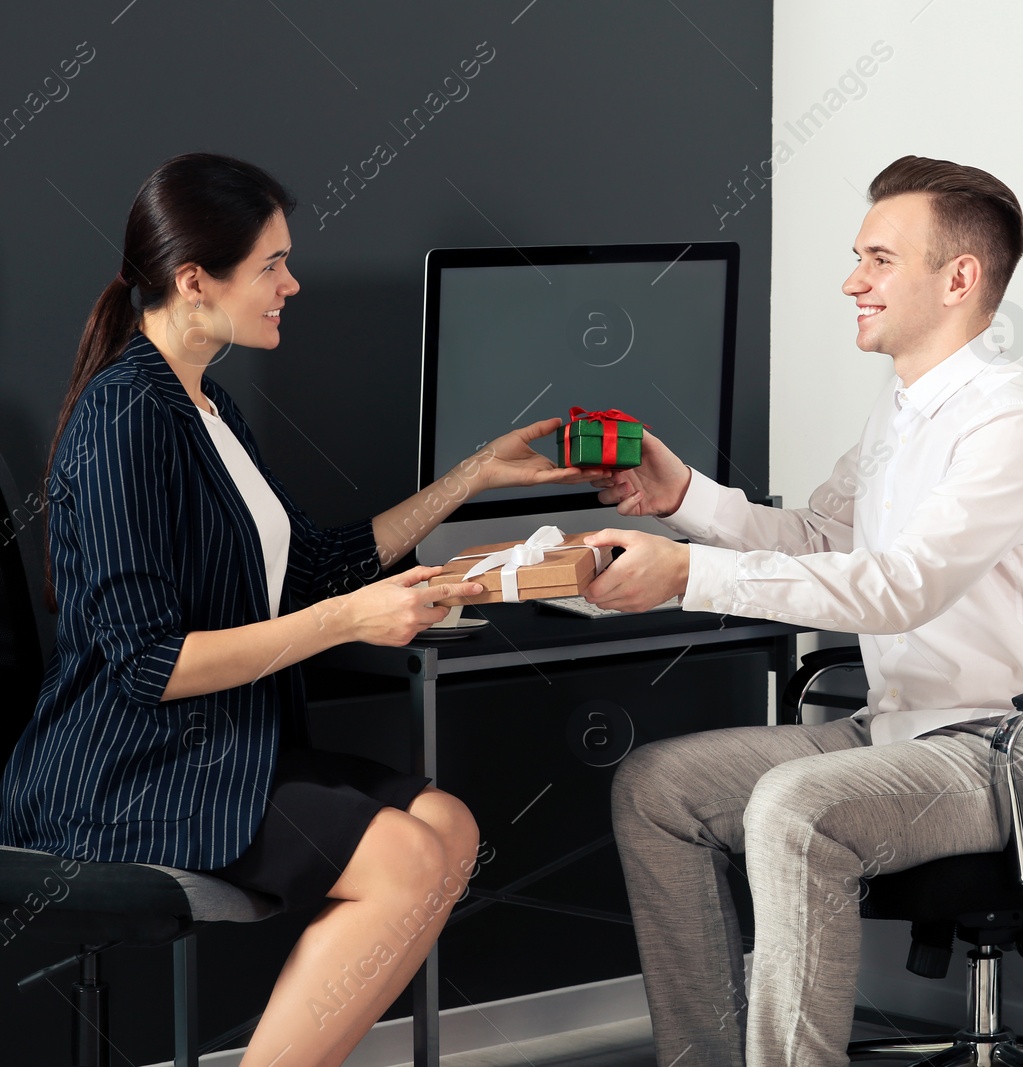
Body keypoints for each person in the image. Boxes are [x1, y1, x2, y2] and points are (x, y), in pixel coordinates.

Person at [0, 153, 586, 1067]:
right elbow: (151, 664)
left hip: (217, 745)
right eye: (272, 264)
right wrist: (349, 621)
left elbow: (316, 564)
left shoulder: (205, 404)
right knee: (403, 861)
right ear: (196, 281)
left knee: (452, 830)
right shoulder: (126, 418)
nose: (291, 283)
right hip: (123, 772)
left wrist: (473, 476)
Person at [581, 155, 1023, 1067]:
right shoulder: (900, 413)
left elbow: (900, 583)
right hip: (900, 734)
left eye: (878, 259)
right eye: (856, 257)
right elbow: (822, 536)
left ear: (959, 278)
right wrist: (684, 497)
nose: (851, 282)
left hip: (1022, 756)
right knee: (656, 788)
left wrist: (686, 576)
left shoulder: (1013, 418)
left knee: (796, 806)